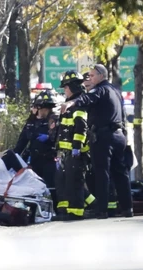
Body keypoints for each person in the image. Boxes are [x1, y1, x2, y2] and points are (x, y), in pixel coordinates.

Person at [60, 64, 132, 219]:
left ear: (101, 76)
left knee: (102, 173)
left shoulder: (100, 89)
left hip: (104, 136)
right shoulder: (115, 91)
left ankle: (102, 210)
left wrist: (71, 103)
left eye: (92, 76)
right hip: (119, 135)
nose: (90, 79)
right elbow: (123, 114)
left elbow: (87, 98)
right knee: (120, 174)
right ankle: (127, 208)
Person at [54, 70, 92, 220]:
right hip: (66, 152)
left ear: (73, 87)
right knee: (67, 182)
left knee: (75, 183)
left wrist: (77, 147)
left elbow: (81, 127)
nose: (64, 90)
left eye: (66, 87)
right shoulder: (70, 104)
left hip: (77, 152)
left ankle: (76, 212)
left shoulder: (79, 104)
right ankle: (67, 211)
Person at [20, 91, 59, 203]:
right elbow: (22, 140)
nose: (45, 111)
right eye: (43, 108)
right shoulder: (31, 121)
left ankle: (57, 208)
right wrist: (16, 154)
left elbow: (58, 137)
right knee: (34, 186)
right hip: (34, 160)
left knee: (52, 186)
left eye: (47, 108)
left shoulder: (54, 120)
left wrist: (49, 137)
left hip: (49, 159)